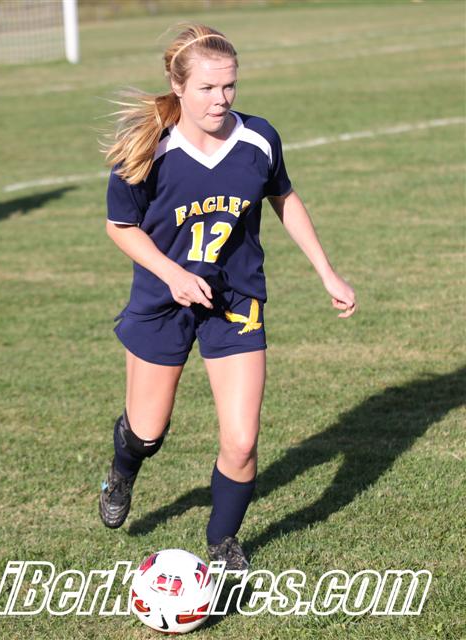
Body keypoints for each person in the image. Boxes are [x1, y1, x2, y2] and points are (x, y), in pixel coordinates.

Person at [98, 23, 356, 571]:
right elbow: (120, 227)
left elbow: (284, 197)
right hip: (163, 300)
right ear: (178, 85)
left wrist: (327, 272)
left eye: (229, 86)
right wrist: (171, 273)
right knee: (147, 432)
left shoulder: (258, 139)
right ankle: (122, 471)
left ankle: (223, 543)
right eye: (207, 88)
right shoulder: (147, 148)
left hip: (235, 299)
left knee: (241, 441)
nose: (221, 99)